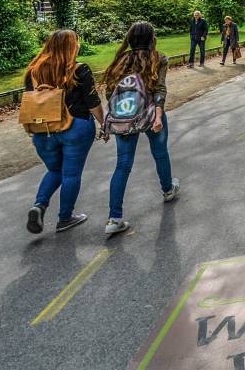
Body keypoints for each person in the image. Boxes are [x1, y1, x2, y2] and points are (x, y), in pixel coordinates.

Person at [103, 22, 178, 236]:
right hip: (151, 112)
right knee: (160, 153)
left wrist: (114, 117)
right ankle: (167, 189)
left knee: (122, 165)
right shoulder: (159, 58)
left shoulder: (121, 60)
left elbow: (110, 92)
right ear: (151, 38)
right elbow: (160, 89)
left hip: (125, 117)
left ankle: (114, 217)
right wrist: (159, 114)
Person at [25, 30, 103, 234]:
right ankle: (65, 217)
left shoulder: (33, 71)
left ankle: (39, 205)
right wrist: (104, 123)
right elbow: (92, 102)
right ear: (72, 46)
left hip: (44, 129)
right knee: (71, 173)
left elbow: (31, 100)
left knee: (54, 170)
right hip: (75, 126)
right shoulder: (78, 69)